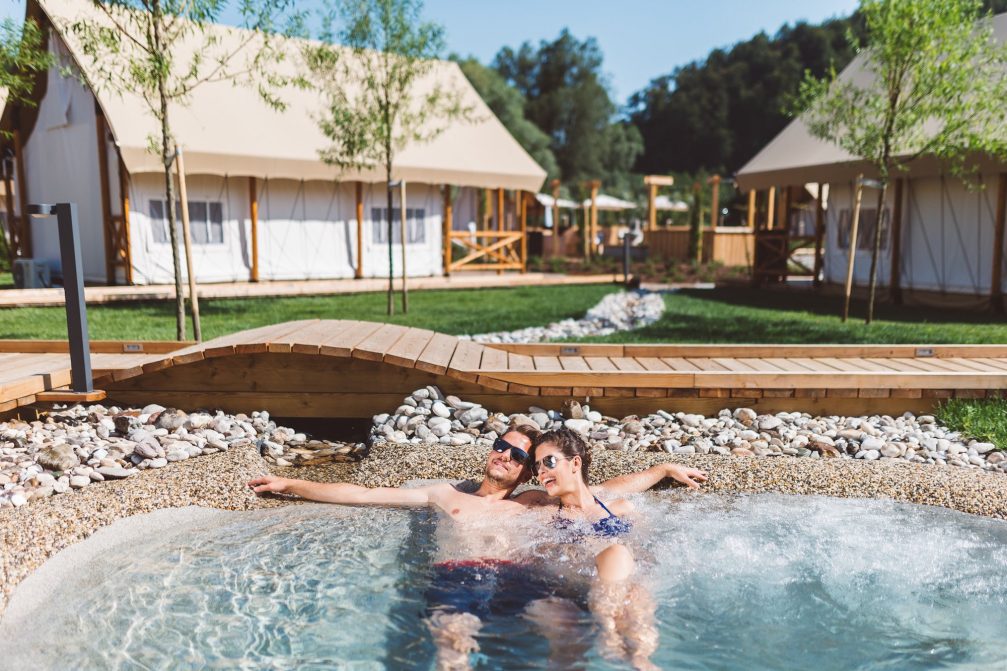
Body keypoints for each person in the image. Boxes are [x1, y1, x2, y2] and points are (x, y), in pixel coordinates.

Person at [247, 425, 705, 670]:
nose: (504, 456)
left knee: (568, 630)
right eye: (500, 447)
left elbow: (600, 485)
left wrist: (662, 468)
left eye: (518, 456)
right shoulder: (446, 496)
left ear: (531, 472)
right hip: (459, 578)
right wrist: (293, 483)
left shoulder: (535, 501)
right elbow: (363, 494)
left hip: (520, 580)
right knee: (453, 645)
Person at [524, 428, 658, 670]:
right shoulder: (544, 513)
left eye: (549, 461)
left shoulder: (621, 507)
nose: (541, 471)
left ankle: (640, 659)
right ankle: (607, 630)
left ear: (575, 463)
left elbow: (646, 551)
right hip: (571, 588)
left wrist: (665, 469)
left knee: (637, 593)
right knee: (617, 553)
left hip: (616, 588)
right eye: (536, 467)